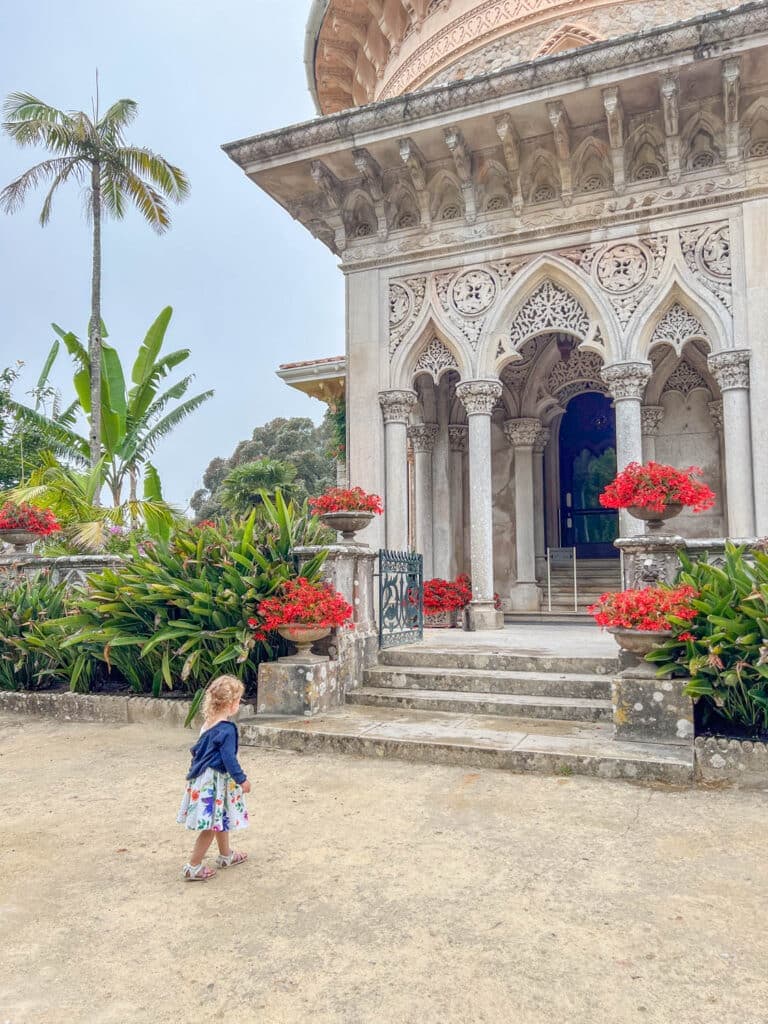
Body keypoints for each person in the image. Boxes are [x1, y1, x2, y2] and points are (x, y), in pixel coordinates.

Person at [177, 674, 251, 881]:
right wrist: (242, 779)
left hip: (204, 779)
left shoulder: (208, 723)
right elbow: (229, 759)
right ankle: (193, 866)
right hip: (216, 781)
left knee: (220, 819)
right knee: (210, 825)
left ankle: (226, 854)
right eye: (238, 700)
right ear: (231, 704)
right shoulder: (227, 729)